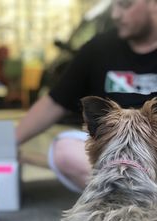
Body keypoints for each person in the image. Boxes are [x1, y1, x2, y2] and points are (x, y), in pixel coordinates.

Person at [16, 0, 157, 193]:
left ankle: (122, 196)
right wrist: (8, 142)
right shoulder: (98, 48)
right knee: (64, 149)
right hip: (110, 152)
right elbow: (55, 102)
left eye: (125, 5)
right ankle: (138, 196)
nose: (115, 15)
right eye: (114, 6)